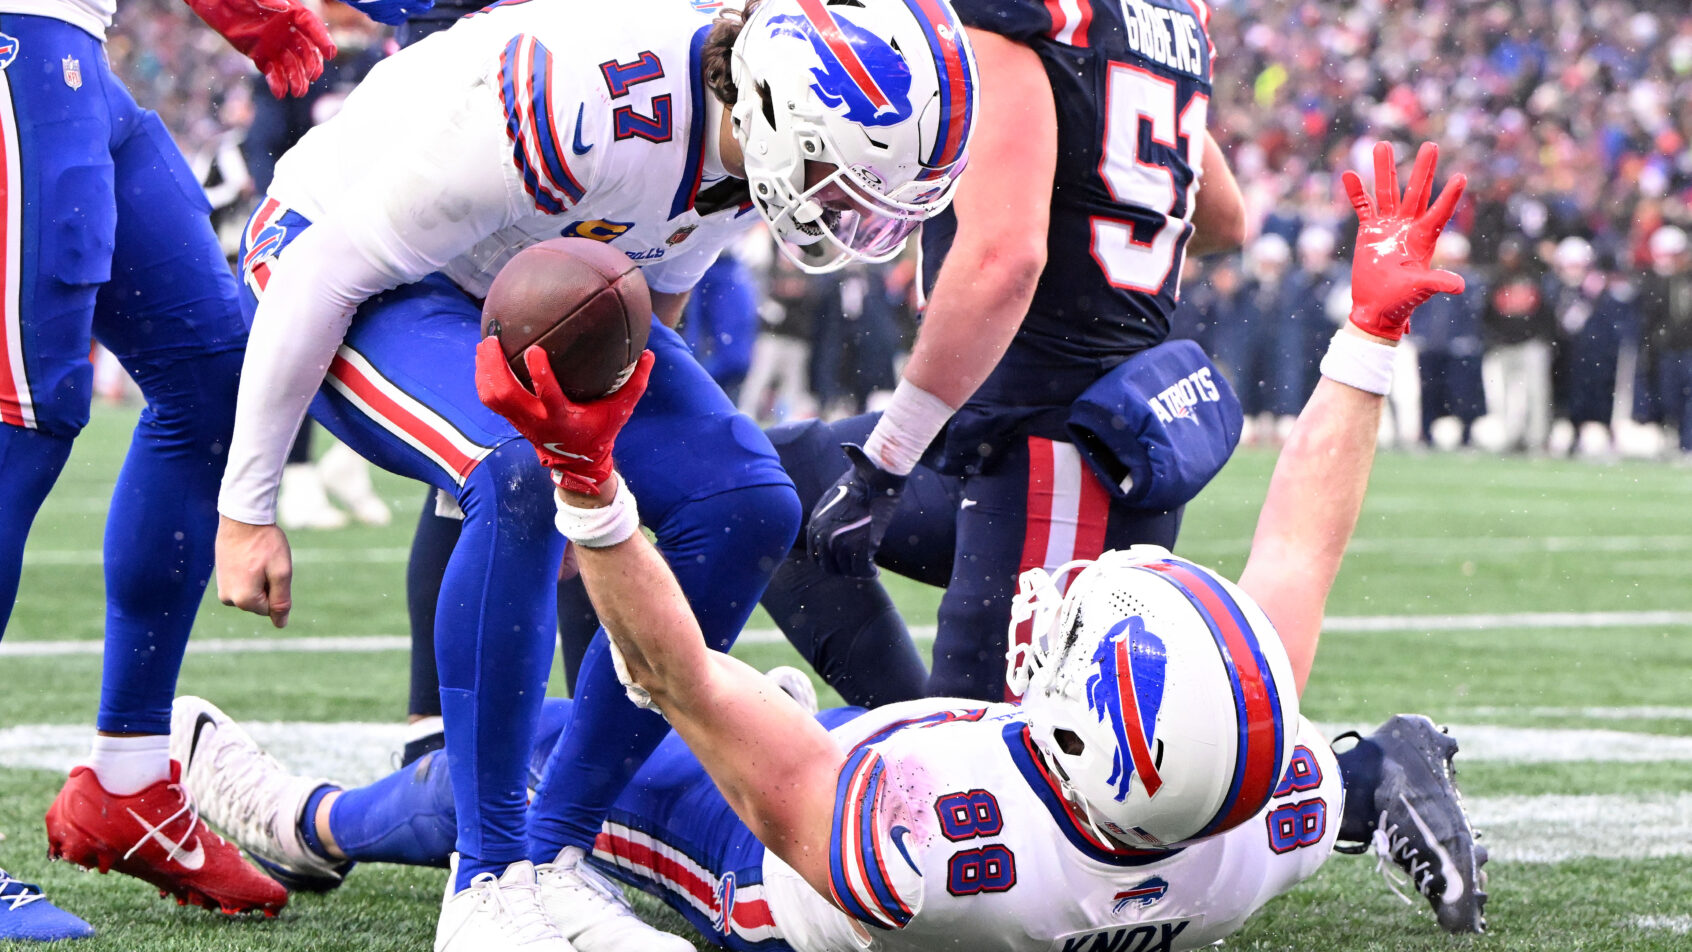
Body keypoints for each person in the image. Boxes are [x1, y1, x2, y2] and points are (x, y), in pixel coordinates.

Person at [181, 142, 1486, 950]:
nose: (1072, 596)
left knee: (543, 762)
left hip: (769, 864)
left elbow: (680, 672)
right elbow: (1301, 548)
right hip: (1034, 820)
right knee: (1334, 764)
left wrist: (586, 475)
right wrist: (1366, 337)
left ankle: (312, 823)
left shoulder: (925, 847)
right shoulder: (1260, 806)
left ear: (1087, 737)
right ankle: (1396, 769)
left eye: (1086, 626)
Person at [209, 1, 979, 950]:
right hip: (350, 270)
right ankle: (486, 884)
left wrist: (607, 487)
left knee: (744, 498)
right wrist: (247, 508)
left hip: (513, 284)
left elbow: (654, 299)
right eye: (841, 177)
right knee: (518, 474)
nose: (846, 209)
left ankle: (557, 846)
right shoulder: (584, 99)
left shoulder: (738, 142)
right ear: (779, 109)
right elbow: (327, 270)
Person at [0, 0, 344, 938]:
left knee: (220, 389)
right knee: (22, 421)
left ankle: (130, 780)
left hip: (72, 54)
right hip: (18, 40)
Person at [803, 0, 1250, 701]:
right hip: (1013, 426)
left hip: (1064, 444)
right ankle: (901, 729)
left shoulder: (1023, 18)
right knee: (769, 485)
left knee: (1002, 774)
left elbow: (1004, 259)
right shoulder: (1166, 19)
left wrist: (886, 464)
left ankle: (1370, 776)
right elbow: (1222, 217)